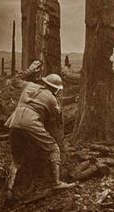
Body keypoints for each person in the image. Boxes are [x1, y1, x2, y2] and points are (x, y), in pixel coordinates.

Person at [5, 60, 74, 201]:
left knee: (16, 160)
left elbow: (15, 81)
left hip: (14, 122)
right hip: (31, 123)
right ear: (55, 89)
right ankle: (57, 183)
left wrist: (30, 70)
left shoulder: (29, 85)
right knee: (54, 149)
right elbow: (57, 120)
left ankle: (9, 189)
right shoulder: (52, 99)